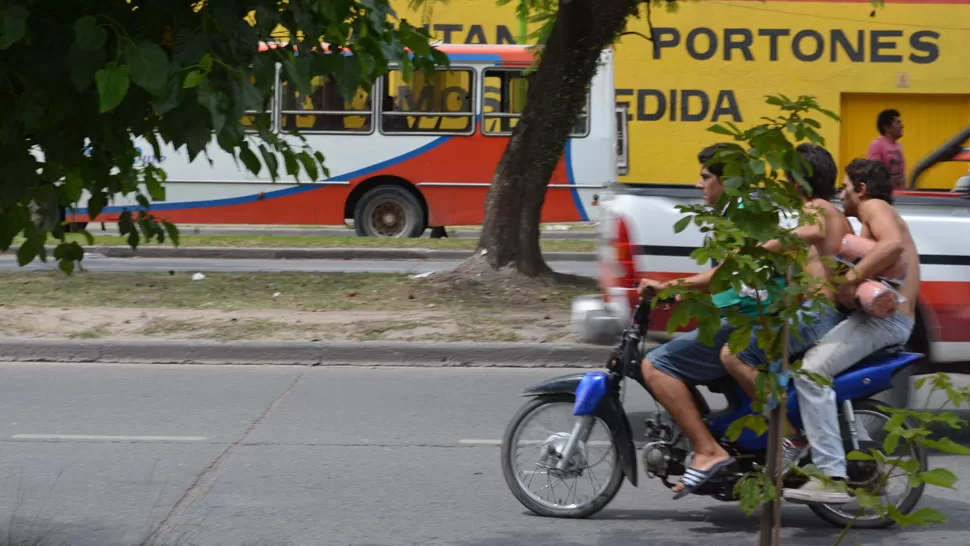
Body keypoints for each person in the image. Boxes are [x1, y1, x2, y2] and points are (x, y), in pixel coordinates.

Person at [637, 143, 787, 500]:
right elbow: (730, 282)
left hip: (749, 326)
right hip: (746, 318)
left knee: (655, 364)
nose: (698, 184)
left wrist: (667, 286)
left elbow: (722, 274)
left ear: (728, 181)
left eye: (705, 177)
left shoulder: (741, 214)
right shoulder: (744, 211)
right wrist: (680, 295)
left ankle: (707, 450)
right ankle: (709, 440)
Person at [782, 159, 921, 504]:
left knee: (813, 373)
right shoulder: (868, 221)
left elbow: (891, 247)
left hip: (885, 322)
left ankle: (830, 474)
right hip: (883, 320)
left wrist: (850, 279)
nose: (840, 194)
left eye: (845, 187)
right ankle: (825, 448)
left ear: (861, 189)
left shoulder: (875, 206)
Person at [719, 143, 852, 470]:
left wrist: (766, 246)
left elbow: (811, 231)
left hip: (819, 313)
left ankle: (790, 438)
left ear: (797, 182)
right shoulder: (834, 213)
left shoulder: (818, 209)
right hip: (818, 312)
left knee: (733, 355)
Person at [867, 109, 906, 190]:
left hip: (900, 195)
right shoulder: (877, 145)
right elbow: (874, 174)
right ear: (887, 127)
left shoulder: (899, 146)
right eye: (898, 123)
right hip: (884, 195)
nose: (902, 126)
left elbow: (902, 174)